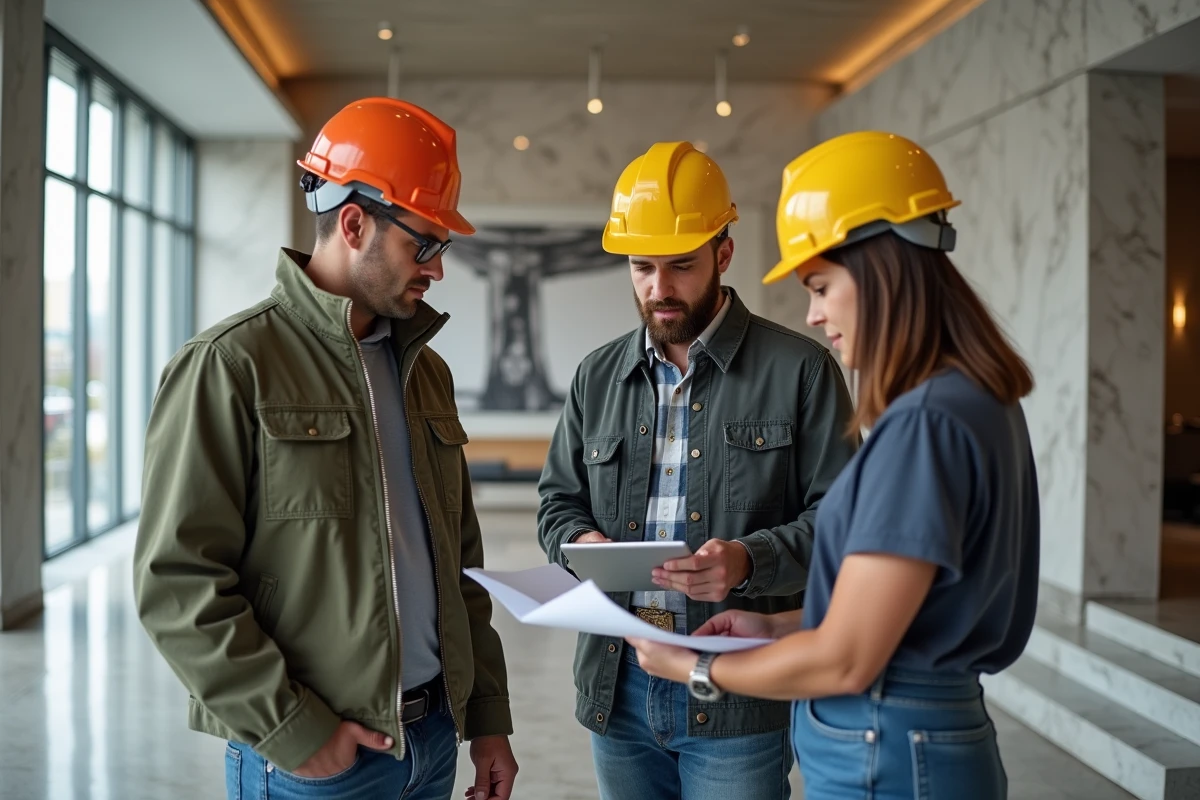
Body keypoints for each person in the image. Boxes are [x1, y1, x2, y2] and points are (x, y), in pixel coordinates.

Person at [625, 131, 1040, 800]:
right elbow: (900, 615)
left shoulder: (926, 423)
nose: (814, 314)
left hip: (886, 748)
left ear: (881, 268)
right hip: (918, 738)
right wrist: (776, 623)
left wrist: (696, 667)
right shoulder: (977, 398)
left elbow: (850, 658)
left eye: (820, 285)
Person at [133, 97, 518, 800]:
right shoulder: (230, 364)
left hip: (431, 743)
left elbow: (461, 564)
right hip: (316, 760)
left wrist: (486, 716)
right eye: (422, 245)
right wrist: (294, 731)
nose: (435, 269)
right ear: (353, 223)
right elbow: (177, 581)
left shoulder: (425, 372)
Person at [536, 141, 859, 800]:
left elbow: (845, 525)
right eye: (641, 267)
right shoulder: (596, 376)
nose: (659, 288)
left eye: (680, 265)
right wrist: (584, 546)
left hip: (736, 697)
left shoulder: (802, 371)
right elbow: (557, 504)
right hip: (616, 688)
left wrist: (747, 559)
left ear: (723, 253)